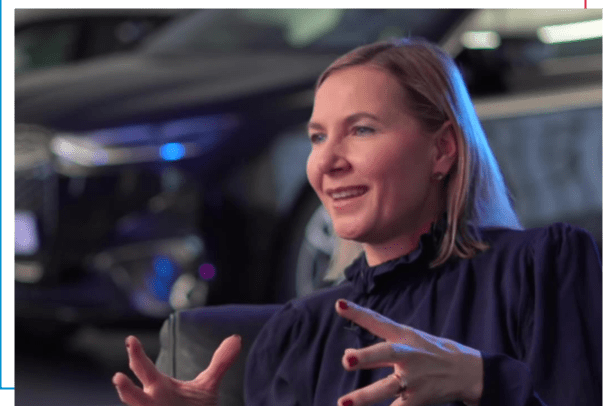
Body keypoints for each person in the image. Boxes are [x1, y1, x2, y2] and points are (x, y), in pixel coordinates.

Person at [112, 38, 602, 406]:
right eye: (318, 137)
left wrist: (481, 381)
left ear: (442, 150)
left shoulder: (540, 268)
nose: (326, 163)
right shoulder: (299, 334)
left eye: (362, 130)